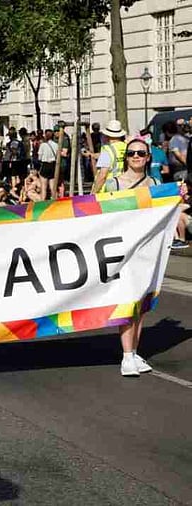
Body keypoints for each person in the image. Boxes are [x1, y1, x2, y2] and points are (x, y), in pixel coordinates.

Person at [101, 138, 157, 377]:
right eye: (132, 153)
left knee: (141, 304)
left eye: (141, 153)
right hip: (121, 251)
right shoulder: (114, 183)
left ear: (147, 157)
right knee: (128, 301)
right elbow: (100, 214)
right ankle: (126, 356)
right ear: (126, 157)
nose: (136, 156)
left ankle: (133, 352)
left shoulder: (154, 183)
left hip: (146, 249)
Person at [91, 120, 127, 193]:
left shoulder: (107, 150)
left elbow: (102, 176)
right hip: (125, 187)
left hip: (109, 189)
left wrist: (93, 193)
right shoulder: (127, 147)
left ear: (107, 135)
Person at [38, 129, 58, 199]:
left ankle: (42, 203)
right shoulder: (56, 145)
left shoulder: (43, 145)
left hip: (45, 165)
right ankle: (55, 202)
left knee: (43, 187)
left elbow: (39, 157)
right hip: (53, 165)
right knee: (53, 186)